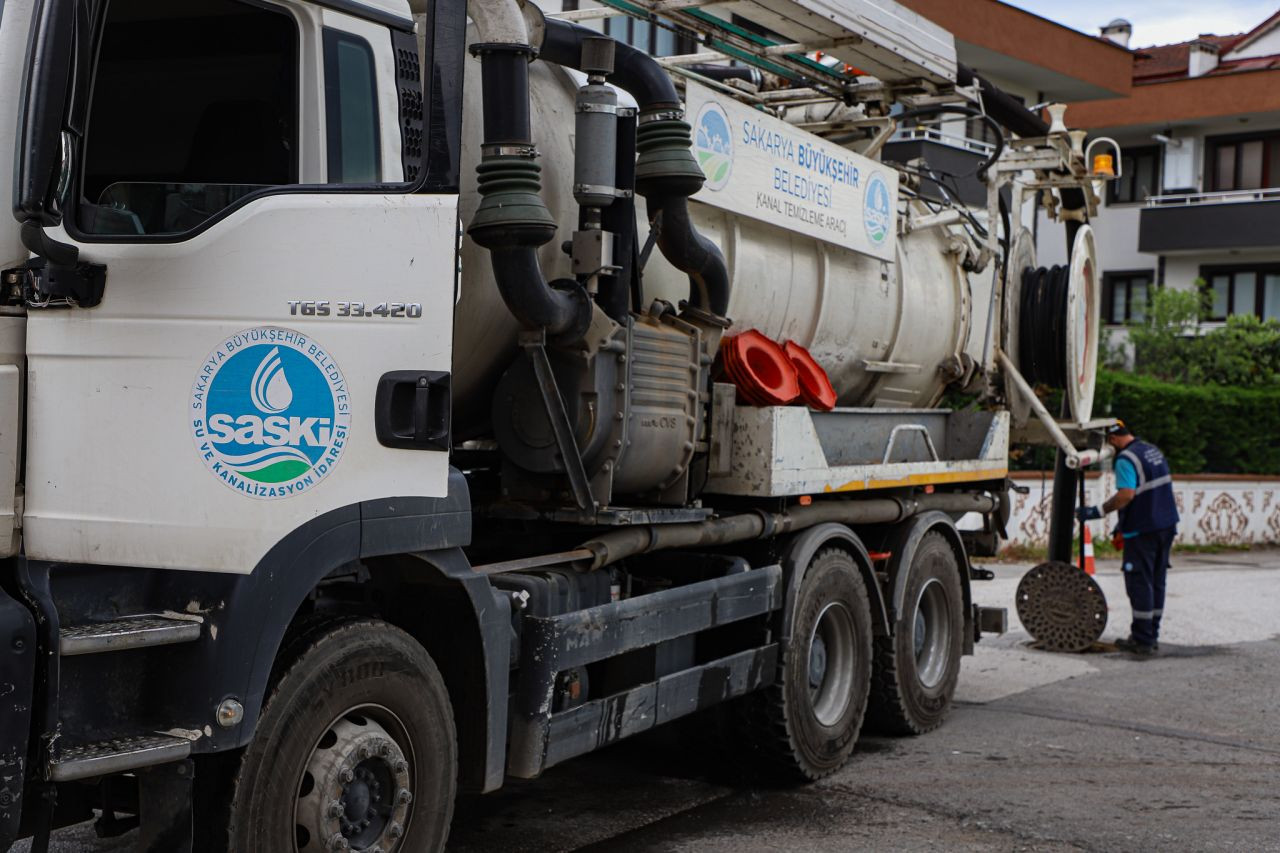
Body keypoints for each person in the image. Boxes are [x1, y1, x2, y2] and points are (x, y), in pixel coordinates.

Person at [1076, 421, 1179, 656]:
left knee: (1139, 582)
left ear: (1112, 440)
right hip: (1166, 525)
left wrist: (1097, 511)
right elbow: (1147, 492)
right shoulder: (1151, 450)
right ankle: (1151, 635)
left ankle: (1142, 640)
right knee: (1156, 581)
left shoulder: (1125, 459)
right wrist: (1123, 524)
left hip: (1144, 530)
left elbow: (1126, 495)